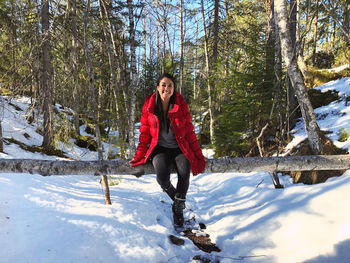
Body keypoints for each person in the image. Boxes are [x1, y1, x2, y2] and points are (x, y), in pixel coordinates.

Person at [130, 73, 206, 227]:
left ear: (174, 88)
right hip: (160, 150)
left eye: (170, 85)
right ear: (158, 87)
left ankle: (177, 210)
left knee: (184, 173)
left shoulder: (180, 104)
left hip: (179, 148)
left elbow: (190, 132)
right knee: (162, 178)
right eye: (163, 85)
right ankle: (177, 200)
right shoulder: (150, 106)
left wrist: (199, 156)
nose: (167, 88)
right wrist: (139, 156)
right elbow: (144, 134)